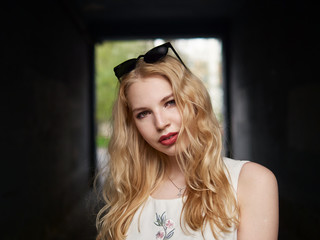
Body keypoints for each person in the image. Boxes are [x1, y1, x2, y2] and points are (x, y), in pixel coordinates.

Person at [96, 42, 278, 240]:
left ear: (194, 102)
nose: (161, 123)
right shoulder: (129, 197)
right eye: (144, 113)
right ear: (132, 126)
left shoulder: (251, 181)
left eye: (170, 102)